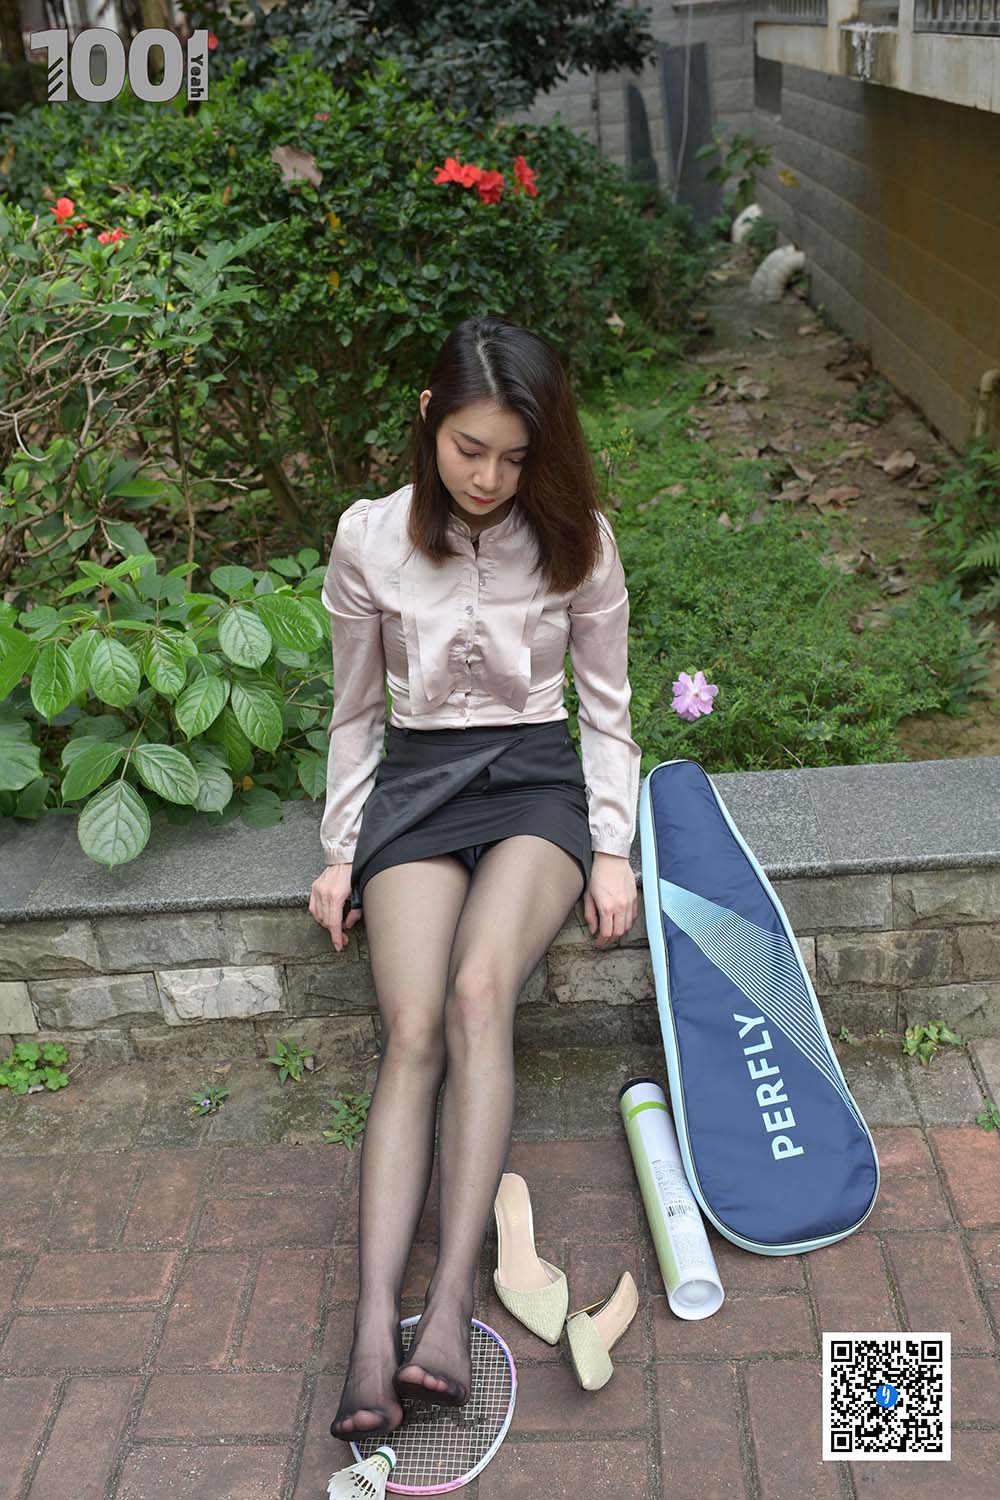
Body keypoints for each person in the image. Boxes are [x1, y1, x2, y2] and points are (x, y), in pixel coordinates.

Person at [309, 315, 642, 1440]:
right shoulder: (369, 539)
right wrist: (341, 850)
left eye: (513, 455)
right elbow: (354, 711)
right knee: (410, 1030)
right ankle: (372, 1332)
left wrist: (610, 845)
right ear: (428, 420)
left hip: (534, 786)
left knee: (476, 994)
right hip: (417, 787)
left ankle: (450, 1305)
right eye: (469, 449)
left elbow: (606, 713)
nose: (490, 477)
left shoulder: (578, 540)